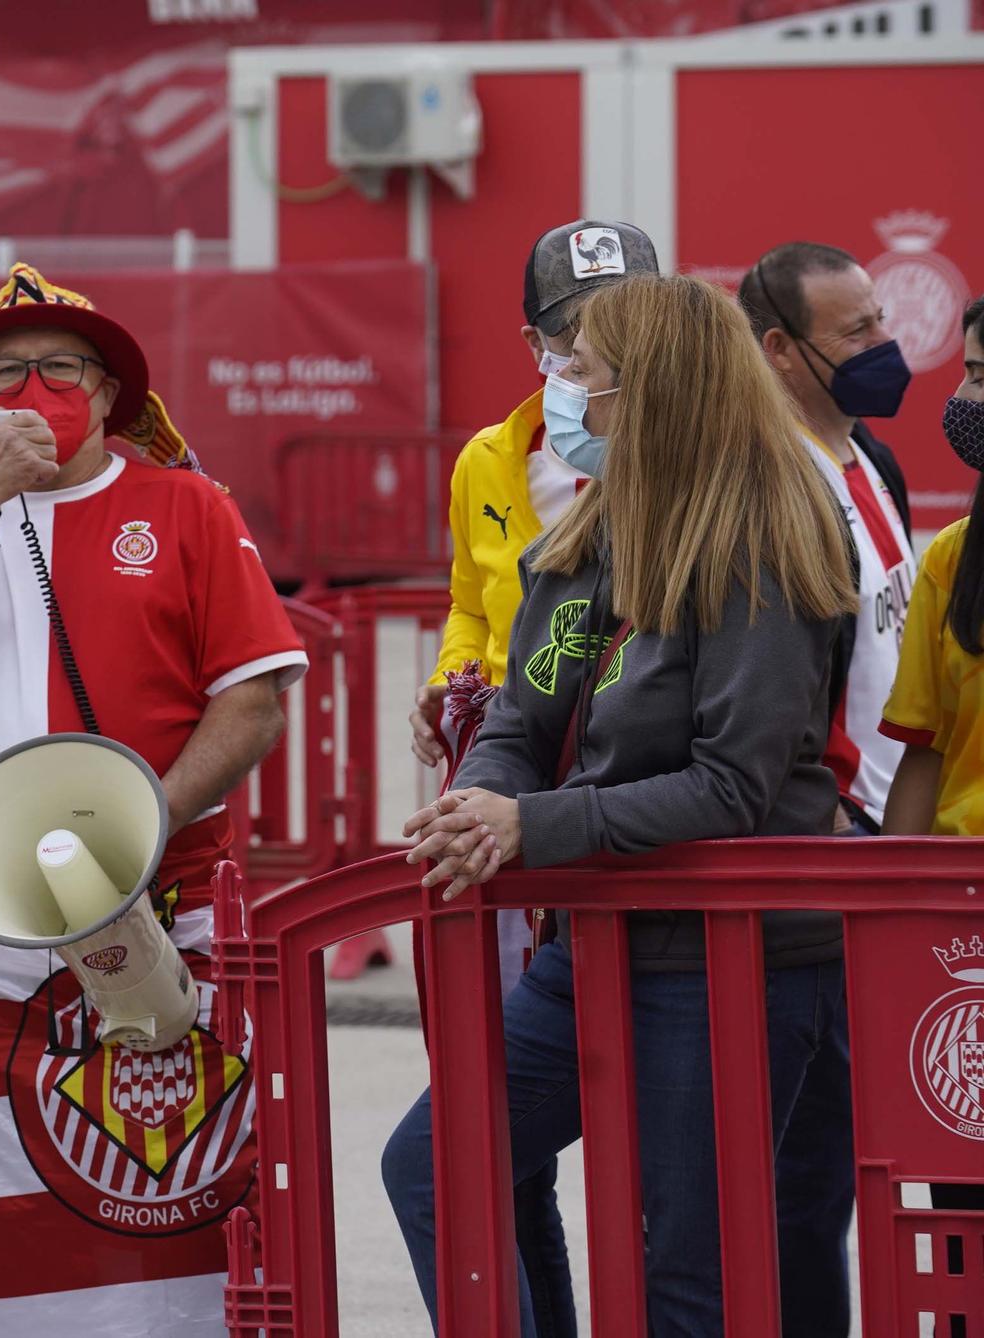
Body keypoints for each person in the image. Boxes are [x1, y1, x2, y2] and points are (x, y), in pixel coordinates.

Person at [381, 273, 860, 1336]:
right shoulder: (593, 529)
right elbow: (519, 716)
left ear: (647, 393)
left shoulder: (761, 544)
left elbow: (732, 785)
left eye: (578, 373)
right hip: (595, 938)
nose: (558, 392)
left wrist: (534, 827)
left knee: (688, 1270)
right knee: (431, 1169)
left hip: (729, 961)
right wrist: (477, 800)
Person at [0, 264, 307, 1334]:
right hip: (1, 925)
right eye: (4, 373)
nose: (34, 388)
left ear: (108, 393)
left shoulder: (187, 508)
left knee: (187, 1189)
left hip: (174, 903)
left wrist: (135, 834)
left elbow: (249, 704)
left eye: (59, 368)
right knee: (19, 1197)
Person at [406, 218, 661, 1338]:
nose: (599, 355)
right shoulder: (489, 461)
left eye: (626, 327)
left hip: (623, 812)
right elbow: (473, 597)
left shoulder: (698, 465)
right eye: (574, 335)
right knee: (495, 1146)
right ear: (533, 343)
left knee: (655, 1165)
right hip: (511, 796)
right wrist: (457, 679)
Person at [738, 242, 916, 834]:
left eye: (878, 320)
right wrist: (829, 818)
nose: (883, 345)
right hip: (847, 821)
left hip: (904, 808)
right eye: (856, 331)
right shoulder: (770, 490)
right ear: (780, 350)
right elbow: (767, 685)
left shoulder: (873, 455)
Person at [880, 293, 984, 1290]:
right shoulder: (949, 565)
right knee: (962, 1207)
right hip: (964, 930)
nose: (963, 399)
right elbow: (918, 754)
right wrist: (884, 922)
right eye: (968, 373)